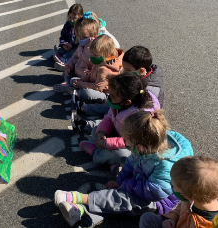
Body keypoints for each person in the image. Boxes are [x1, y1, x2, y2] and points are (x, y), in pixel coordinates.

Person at [54, 110, 194, 227]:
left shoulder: (165, 163)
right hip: (144, 184)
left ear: (140, 147)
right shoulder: (148, 145)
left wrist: (126, 185)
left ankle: (79, 198)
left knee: (123, 199)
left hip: (160, 201)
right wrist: (120, 181)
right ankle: (81, 214)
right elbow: (130, 163)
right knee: (120, 201)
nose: (125, 144)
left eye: (127, 143)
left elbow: (154, 192)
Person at [77, 72, 160, 173]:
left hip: (133, 147)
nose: (108, 97)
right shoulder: (120, 102)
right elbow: (109, 117)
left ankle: (96, 153)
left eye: (111, 96)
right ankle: (111, 161)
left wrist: (107, 144)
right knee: (96, 131)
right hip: (120, 134)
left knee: (122, 155)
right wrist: (102, 132)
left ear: (127, 102)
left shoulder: (140, 117)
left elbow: (132, 141)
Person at [140, 156, 218, 228]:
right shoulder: (194, 198)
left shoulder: (205, 225)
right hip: (177, 224)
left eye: (173, 186)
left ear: (187, 196)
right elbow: (180, 209)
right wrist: (172, 219)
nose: (171, 186)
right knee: (147, 218)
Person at [52, 11, 99, 92]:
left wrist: (90, 73)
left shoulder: (95, 48)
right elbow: (74, 57)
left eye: (84, 37)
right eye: (80, 36)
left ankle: (72, 88)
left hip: (85, 76)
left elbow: (98, 65)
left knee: (74, 80)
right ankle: (67, 84)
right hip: (78, 69)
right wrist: (69, 66)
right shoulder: (81, 45)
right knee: (66, 73)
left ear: (93, 36)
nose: (81, 38)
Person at [72, 34, 123, 103]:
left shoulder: (105, 69)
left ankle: (78, 95)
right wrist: (82, 80)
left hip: (105, 94)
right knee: (73, 81)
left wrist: (81, 84)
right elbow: (91, 75)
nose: (92, 57)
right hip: (94, 84)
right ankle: (77, 91)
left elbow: (98, 88)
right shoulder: (101, 61)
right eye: (91, 54)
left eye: (95, 55)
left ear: (107, 54)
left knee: (86, 93)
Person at [53, 3, 83, 70]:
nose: (71, 20)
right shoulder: (67, 24)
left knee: (77, 51)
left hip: (76, 47)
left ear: (80, 17)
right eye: (70, 17)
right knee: (56, 47)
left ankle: (65, 60)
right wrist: (64, 44)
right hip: (68, 46)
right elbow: (62, 36)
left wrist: (72, 45)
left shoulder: (81, 26)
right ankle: (64, 56)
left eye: (74, 18)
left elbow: (80, 41)